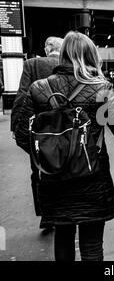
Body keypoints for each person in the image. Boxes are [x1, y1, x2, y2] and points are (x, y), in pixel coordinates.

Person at [14, 31, 114, 261]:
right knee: (92, 245)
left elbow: (21, 135)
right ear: (90, 56)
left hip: (54, 178)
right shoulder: (102, 88)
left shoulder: (39, 88)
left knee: (63, 237)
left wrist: (52, 154)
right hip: (92, 176)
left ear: (63, 55)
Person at [11, 36, 63, 229]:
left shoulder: (31, 64)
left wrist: (16, 125)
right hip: (66, 126)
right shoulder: (70, 63)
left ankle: (46, 214)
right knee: (66, 169)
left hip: (39, 129)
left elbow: (22, 95)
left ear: (46, 48)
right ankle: (63, 210)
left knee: (39, 171)